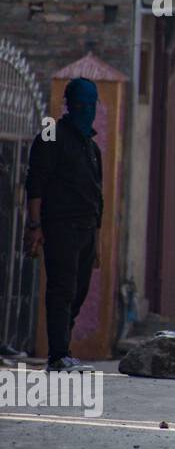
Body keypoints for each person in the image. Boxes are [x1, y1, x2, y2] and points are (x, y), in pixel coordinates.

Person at [23, 77, 103, 373]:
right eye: (81, 104)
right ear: (69, 105)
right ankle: (57, 355)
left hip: (85, 231)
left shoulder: (92, 150)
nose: (86, 110)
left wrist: (98, 243)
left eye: (90, 105)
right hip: (59, 227)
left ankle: (64, 348)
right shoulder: (51, 136)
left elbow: (98, 198)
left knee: (78, 292)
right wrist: (34, 225)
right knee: (62, 289)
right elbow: (36, 183)